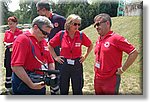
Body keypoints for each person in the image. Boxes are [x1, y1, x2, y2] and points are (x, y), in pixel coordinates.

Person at [93, 13, 138, 95]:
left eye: (98, 24)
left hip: (111, 80)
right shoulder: (99, 39)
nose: (96, 27)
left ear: (107, 23)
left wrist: (122, 69)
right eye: (95, 25)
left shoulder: (116, 38)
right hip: (98, 78)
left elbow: (134, 53)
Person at [48, 14, 93, 95]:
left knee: (78, 89)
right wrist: (55, 57)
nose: (77, 26)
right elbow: (50, 45)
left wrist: (85, 56)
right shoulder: (61, 34)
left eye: (79, 24)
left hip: (77, 64)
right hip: (64, 64)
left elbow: (90, 45)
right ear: (68, 24)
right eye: (75, 24)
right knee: (63, 88)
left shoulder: (81, 35)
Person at [11, 16, 55, 95]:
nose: (46, 36)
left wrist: (51, 75)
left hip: (39, 84)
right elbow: (16, 67)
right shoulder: (22, 40)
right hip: (23, 86)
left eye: (48, 34)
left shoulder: (43, 41)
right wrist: (31, 85)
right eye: (44, 33)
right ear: (35, 27)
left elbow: (50, 61)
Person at [36, 1, 66, 94]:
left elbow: (69, 34)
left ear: (44, 10)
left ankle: (58, 91)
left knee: (58, 73)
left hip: (57, 51)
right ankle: (53, 90)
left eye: (38, 11)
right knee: (48, 73)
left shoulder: (59, 19)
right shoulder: (40, 22)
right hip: (44, 51)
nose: (38, 13)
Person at [3, 16, 23, 93]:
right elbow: (4, 41)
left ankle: (17, 85)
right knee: (8, 68)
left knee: (17, 68)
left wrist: (12, 43)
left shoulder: (20, 32)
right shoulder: (7, 32)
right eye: (9, 24)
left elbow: (20, 42)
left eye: (11, 23)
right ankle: (8, 87)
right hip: (8, 52)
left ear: (16, 23)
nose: (10, 25)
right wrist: (6, 44)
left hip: (17, 52)